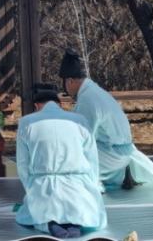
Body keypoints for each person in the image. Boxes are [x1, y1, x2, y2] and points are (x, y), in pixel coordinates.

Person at [58, 49, 153, 191]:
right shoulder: (94, 91)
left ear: (70, 81)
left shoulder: (87, 99)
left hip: (114, 154)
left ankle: (92, 184)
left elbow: (83, 137)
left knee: (70, 150)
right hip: (121, 151)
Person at [16, 83, 106, 238]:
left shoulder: (26, 123)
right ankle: (74, 225)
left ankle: (52, 225)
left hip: (43, 187)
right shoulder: (79, 120)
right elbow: (92, 160)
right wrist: (92, 187)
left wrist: (31, 189)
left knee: (42, 214)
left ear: (37, 106)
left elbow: (23, 165)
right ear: (60, 104)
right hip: (78, 187)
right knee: (80, 213)